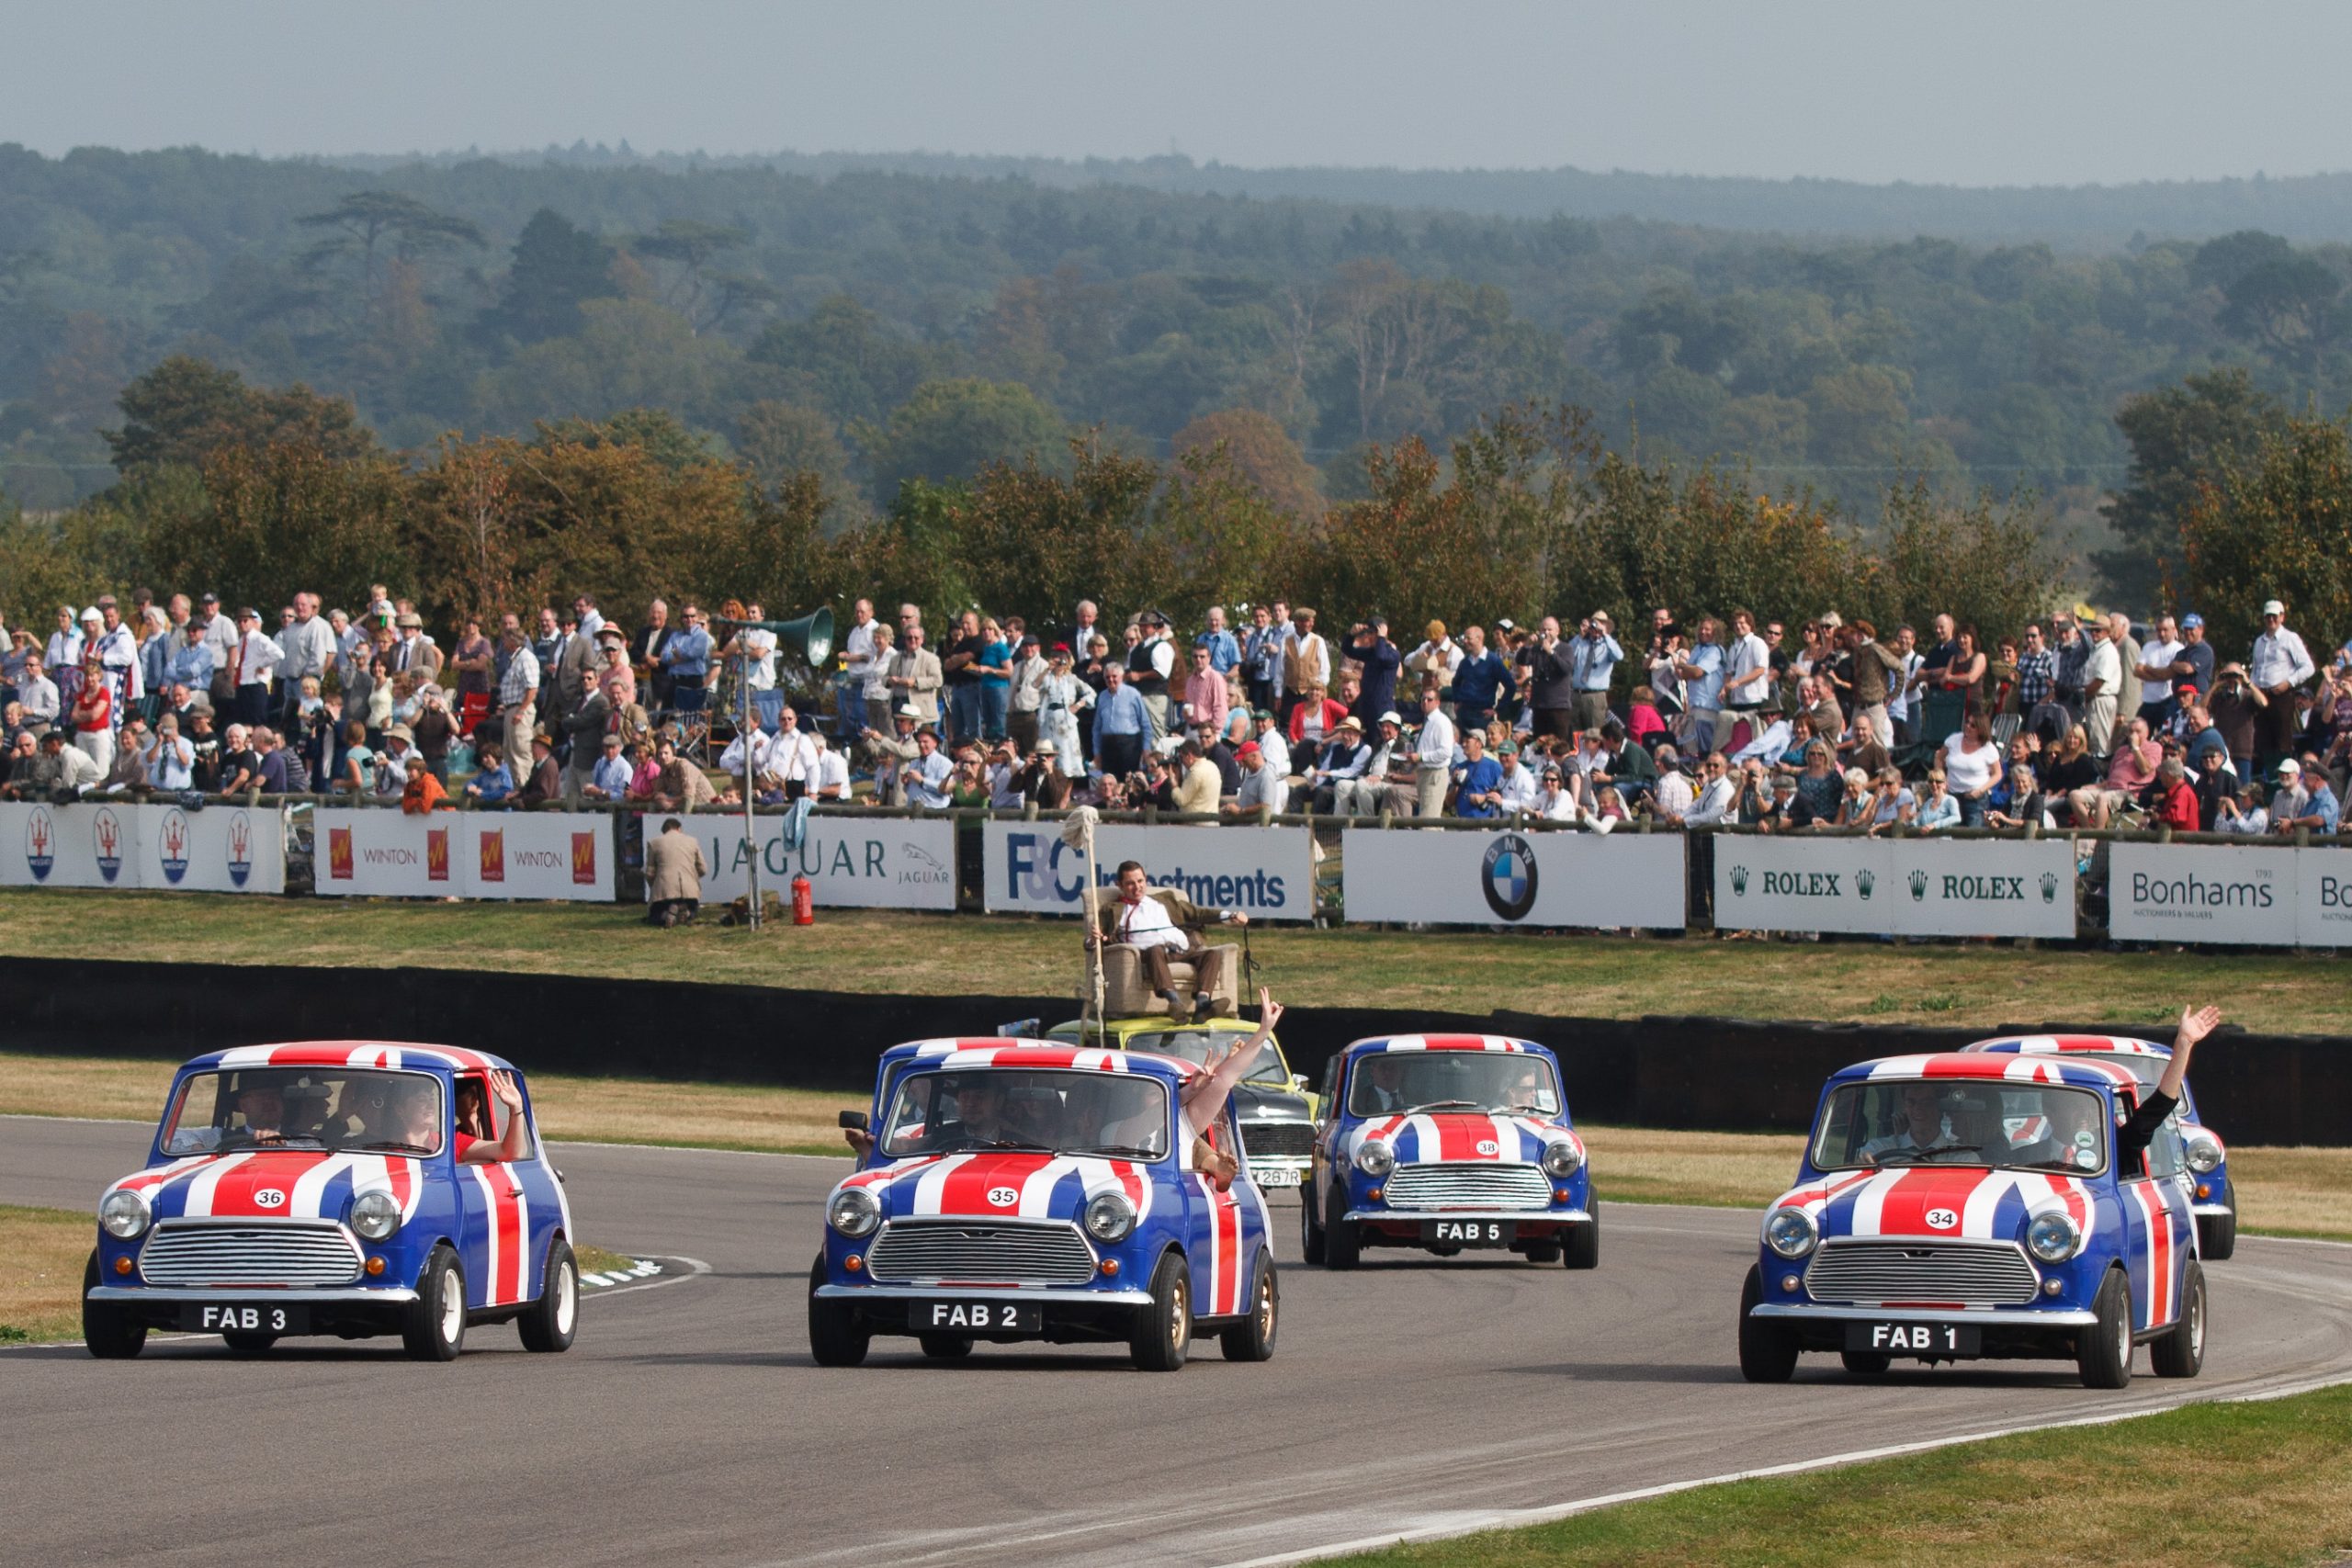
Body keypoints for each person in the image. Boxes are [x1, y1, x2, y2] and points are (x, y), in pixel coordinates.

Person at [1087, 859, 1250, 1022]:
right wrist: (1094, 940)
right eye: (1130, 883)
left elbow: (1197, 913)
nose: (1137, 887)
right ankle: (1174, 1003)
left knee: (1211, 955)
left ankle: (1202, 1005)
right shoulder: (1112, 909)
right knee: (1155, 950)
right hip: (1151, 954)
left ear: (1146, 879)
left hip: (1181, 949)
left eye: (1140, 881)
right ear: (1119, 885)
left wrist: (1230, 915)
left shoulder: (1164, 900)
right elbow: (1092, 941)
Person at [1859, 1082, 1959, 1161]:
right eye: (1911, 1102)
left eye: (1926, 1102)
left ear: (1939, 1107)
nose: (1917, 1109)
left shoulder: (1960, 1156)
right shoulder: (1878, 1148)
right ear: (1905, 1107)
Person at [645, 817, 708, 927]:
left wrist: (653, 887)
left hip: (664, 890)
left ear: (664, 831)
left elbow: (650, 873)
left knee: (654, 915)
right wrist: (692, 878)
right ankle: (686, 912)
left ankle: (666, 914)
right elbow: (703, 869)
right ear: (679, 828)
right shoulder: (692, 841)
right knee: (694, 911)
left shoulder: (654, 843)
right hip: (689, 891)